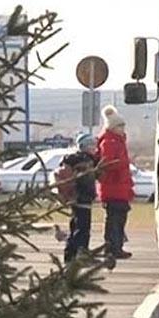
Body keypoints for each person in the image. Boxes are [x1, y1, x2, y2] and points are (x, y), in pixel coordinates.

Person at [96, 105, 134, 259]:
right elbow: (107, 163)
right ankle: (112, 247)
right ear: (113, 127)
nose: (123, 128)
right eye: (120, 126)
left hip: (119, 186)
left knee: (119, 218)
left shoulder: (117, 141)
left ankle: (116, 246)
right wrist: (121, 164)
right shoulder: (109, 142)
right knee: (114, 219)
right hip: (113, 187)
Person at [63, 133, 99, 262]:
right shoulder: (84, 161)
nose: (94, 148)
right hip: (81, 197)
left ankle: (71, 254)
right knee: (82, 228)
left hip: (78, 198)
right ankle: (80, 254)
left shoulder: (81, 160)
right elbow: (84, 180)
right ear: (83, 146)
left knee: (76, 226)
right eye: (91, 145)